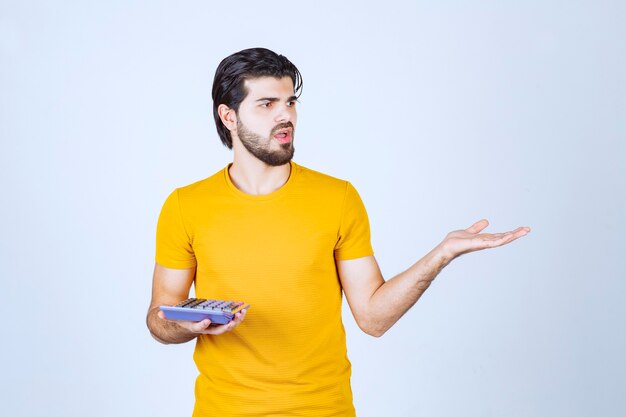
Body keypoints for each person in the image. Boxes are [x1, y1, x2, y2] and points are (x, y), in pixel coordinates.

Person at [146, 47, 531, 416]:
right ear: (229, 117)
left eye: (291, 102)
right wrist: (183, 325)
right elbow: (159, 319)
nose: (286, 116)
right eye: (267, 104)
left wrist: (441, 254)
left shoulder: (338, 198)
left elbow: (373, 318)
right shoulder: (185, 206)